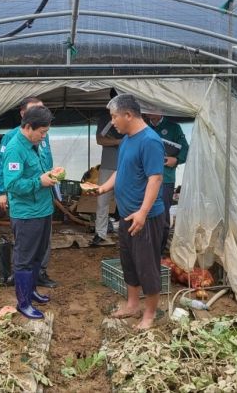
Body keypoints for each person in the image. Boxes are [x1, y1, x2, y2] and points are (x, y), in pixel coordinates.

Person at [97, 94, 165, 330]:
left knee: (147, 266)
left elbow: (155, 178)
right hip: (127, 215)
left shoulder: (150, 141)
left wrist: (143, 212)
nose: (113, 122)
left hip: (144, 217)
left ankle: (149, 314)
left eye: (114, 117)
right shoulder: (127, 139)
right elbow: (120, 170)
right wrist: (104, 187)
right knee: (129, 262)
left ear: (128, 115)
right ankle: (132, 304)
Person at [0, 97, 58, 288]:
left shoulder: (39, 137)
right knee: (25, 255)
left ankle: (34, 285)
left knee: (39, 252)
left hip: (43, 206)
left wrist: (50, 174)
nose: (44, 135)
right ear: (27, 122)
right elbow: (11, 181)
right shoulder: (14, 144)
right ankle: (24, 299)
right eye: (42, 131)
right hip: (28, 209)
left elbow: (43, 163)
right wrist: (1, 191)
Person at [144, 108, 189, 254]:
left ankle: (159, 250)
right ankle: (146, 248)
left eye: (152, 106)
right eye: (147, 106)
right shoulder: (143, 127)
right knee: (144, 214)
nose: (150, 110)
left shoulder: (174, 128)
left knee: (162, 216)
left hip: (165, 179)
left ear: (161, 108)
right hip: (144, 179)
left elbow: (185, 150)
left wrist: (175, 160)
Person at [91, 108, 124, 246]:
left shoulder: (130, 116)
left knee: (125, 201)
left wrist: (114, 141)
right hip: (108, 166)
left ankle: (126, 234)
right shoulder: (105, 118)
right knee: (102, 201)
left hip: (126, 166)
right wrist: (118, 141)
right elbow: (100, 139)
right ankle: (100, 233)